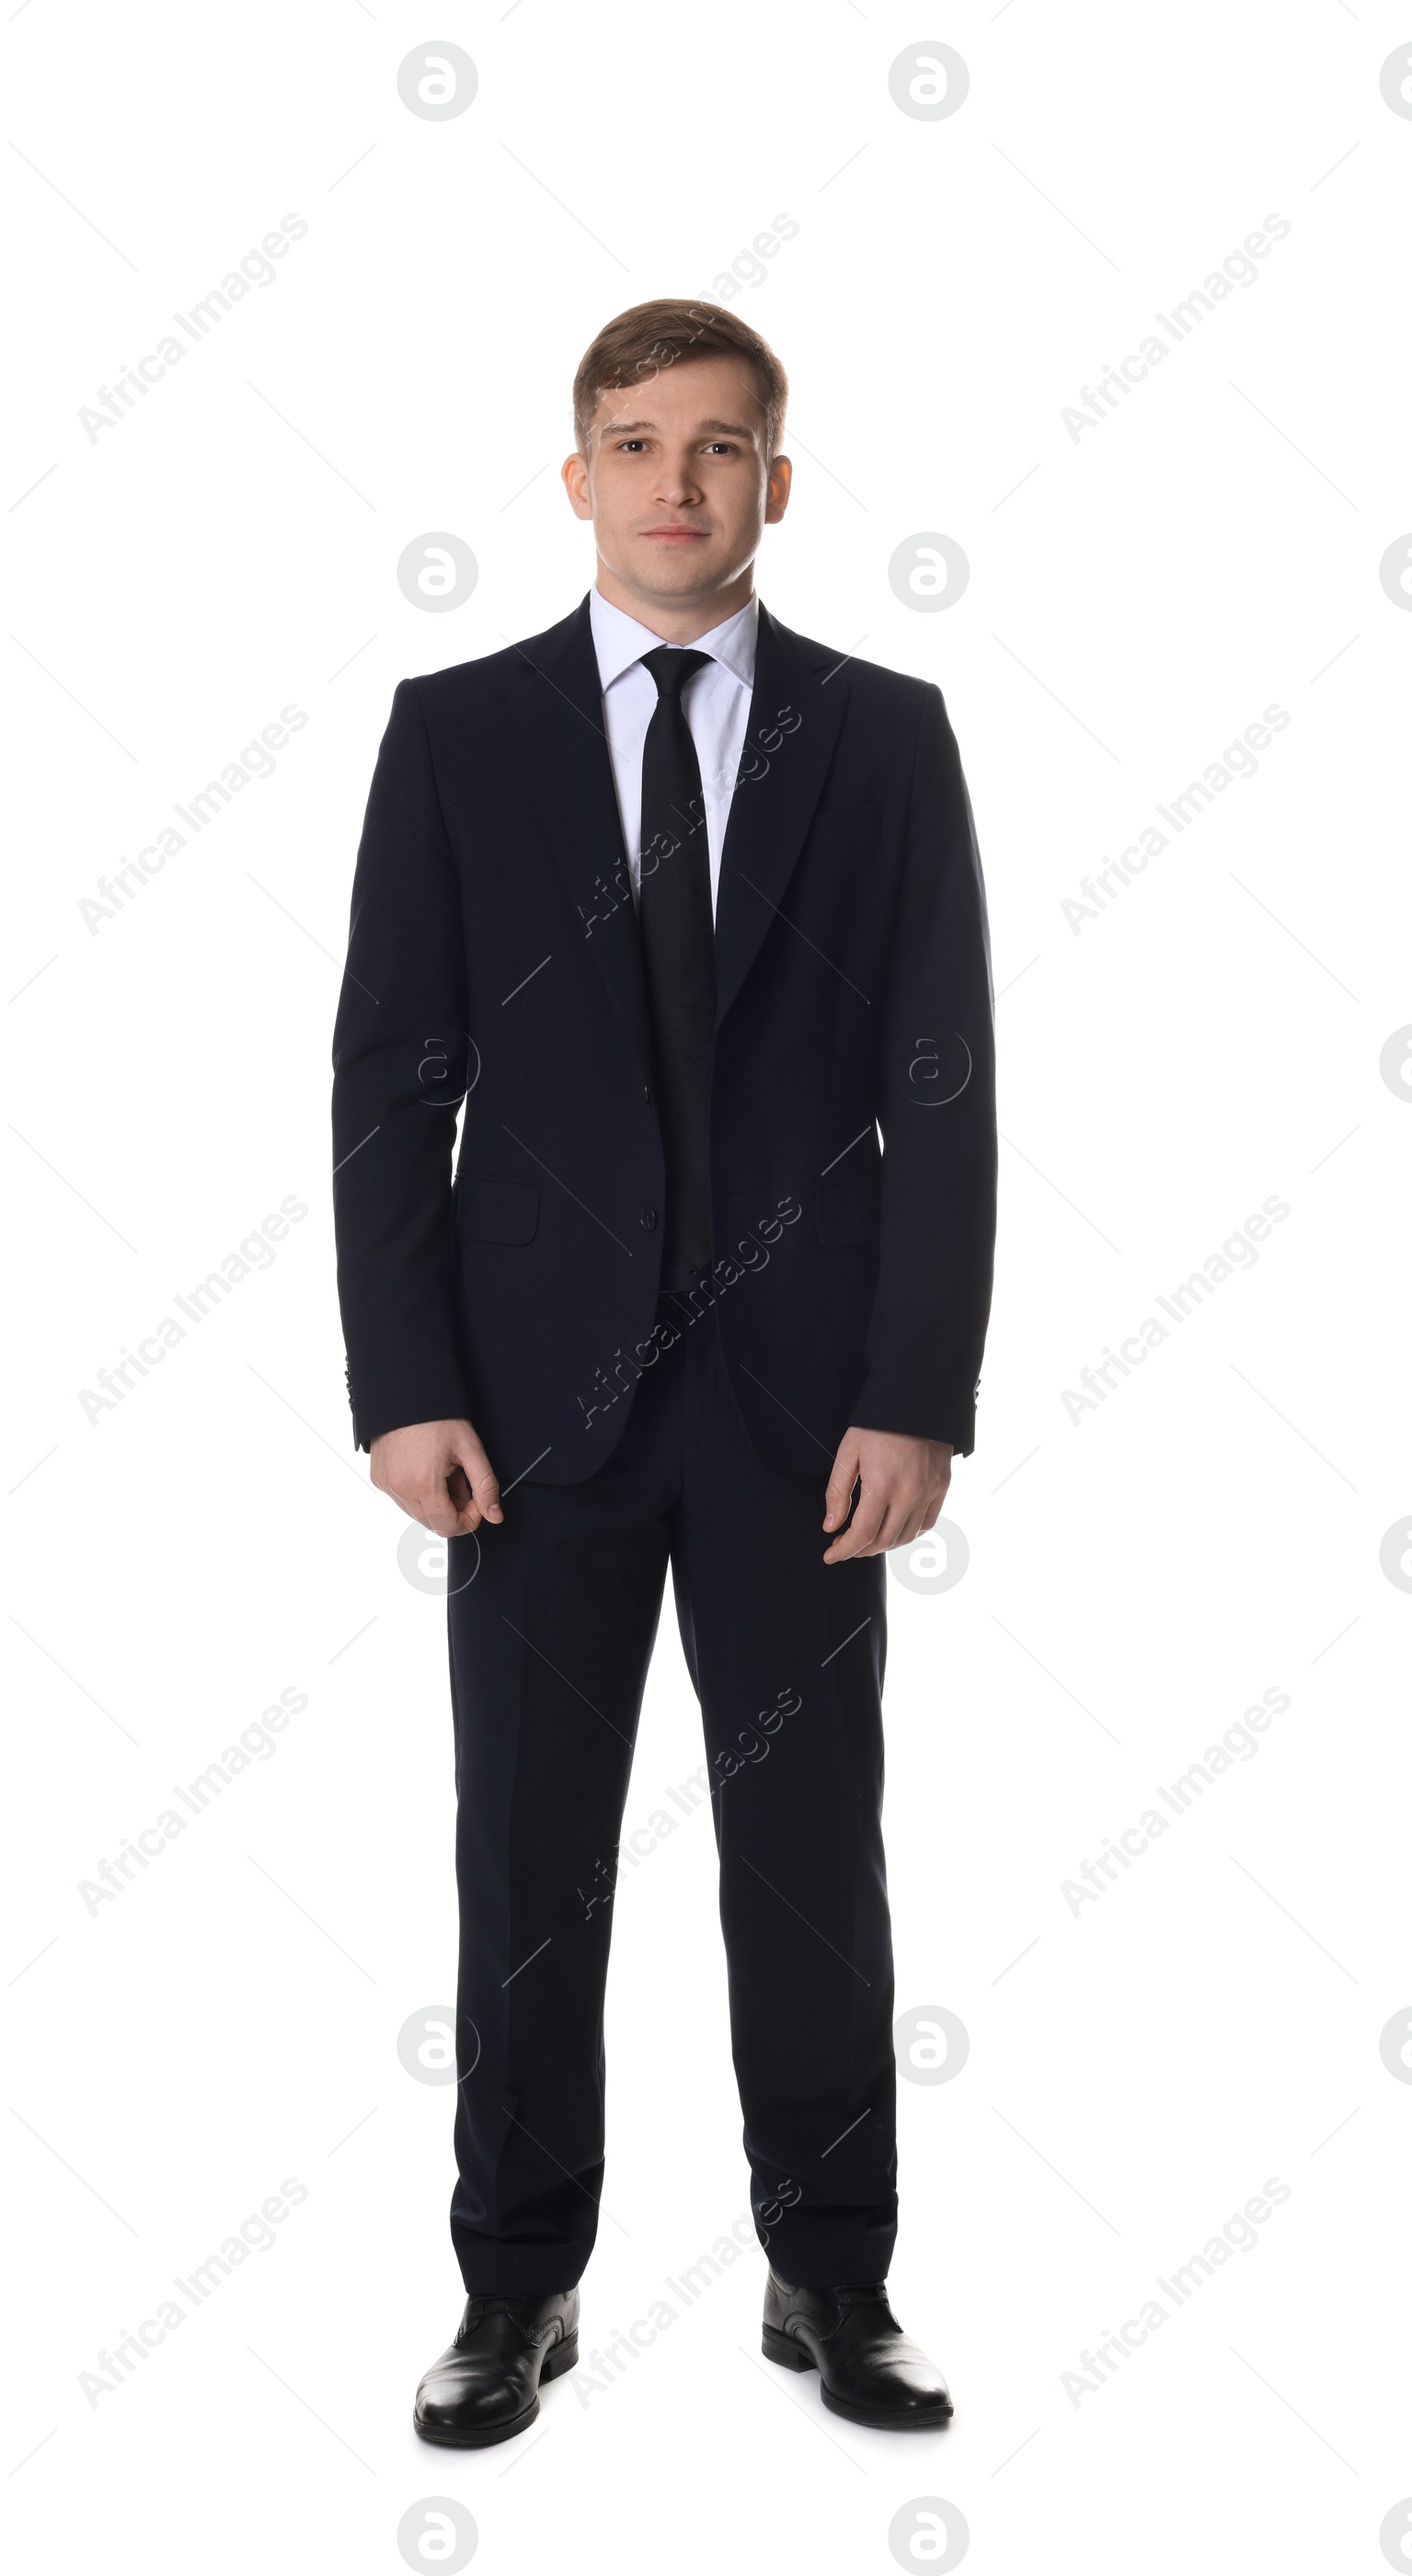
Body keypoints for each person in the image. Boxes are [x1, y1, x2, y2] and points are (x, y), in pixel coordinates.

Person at [331, 298, 996, 2444]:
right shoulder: (456, 734)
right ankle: (512, 2289)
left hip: (805, 1414)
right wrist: (402, 1376)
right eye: (636, 444)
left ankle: (833, 2274)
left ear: (775, 483)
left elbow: (940, 1089)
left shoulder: (882, 737)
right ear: (576, 476)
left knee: (810, 1850)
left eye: (720, 448)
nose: (677, 484)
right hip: (528, 1418)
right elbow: (389, 1081)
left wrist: (914, 1388)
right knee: (529, 1864)